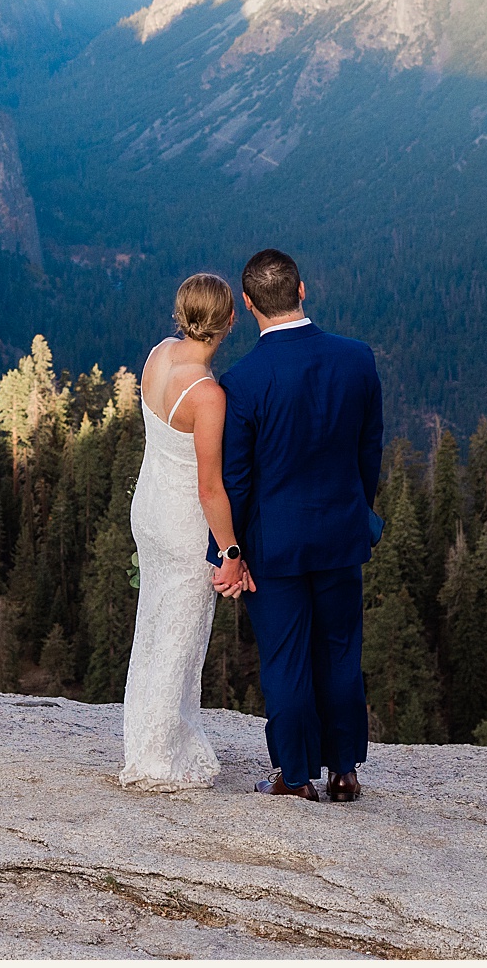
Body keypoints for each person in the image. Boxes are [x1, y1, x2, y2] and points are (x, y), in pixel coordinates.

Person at [208, 248, 382, 803]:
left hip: (271, 547)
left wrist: (229, 552)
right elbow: (368, 454)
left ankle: (293, 776)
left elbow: (234, 479)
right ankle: (345, 771)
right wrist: (356, 513)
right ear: (302, 290)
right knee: (339, 652)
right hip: (340, 535)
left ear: (248, 303)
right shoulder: (356, 359)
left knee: (286, 659)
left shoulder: (244, 381)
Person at [119, 272, 244, 789]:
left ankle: (145, 740)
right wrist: (231, 551)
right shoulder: (208, 396)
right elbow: (211, 488)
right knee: (179, 634)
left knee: (152, 624)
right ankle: (157, 758)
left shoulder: (158, 355)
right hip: (183, 523)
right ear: (230, 322)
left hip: (147, 508)